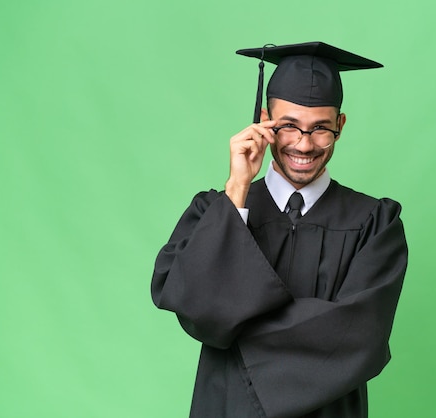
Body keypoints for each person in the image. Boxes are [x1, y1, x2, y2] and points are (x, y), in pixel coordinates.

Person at [151, 41, 409, 418]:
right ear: (264, 120)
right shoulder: (214, 208)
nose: (304, 144)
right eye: (289, 126)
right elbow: (193, 307)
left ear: (340, 125)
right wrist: (236, 190)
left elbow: (361, 336)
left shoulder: (374, 223)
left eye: (321, 128)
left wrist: (235, 326)